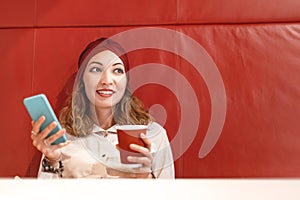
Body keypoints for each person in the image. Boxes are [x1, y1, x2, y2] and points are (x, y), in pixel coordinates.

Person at [30, 37, 175, 178]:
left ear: (126, 82)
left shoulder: (154, 134)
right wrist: (52, 161)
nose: (106, 81)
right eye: (95, 69)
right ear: (82, 80)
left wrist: (144, 176)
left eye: (117, 71)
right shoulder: (61, 136)